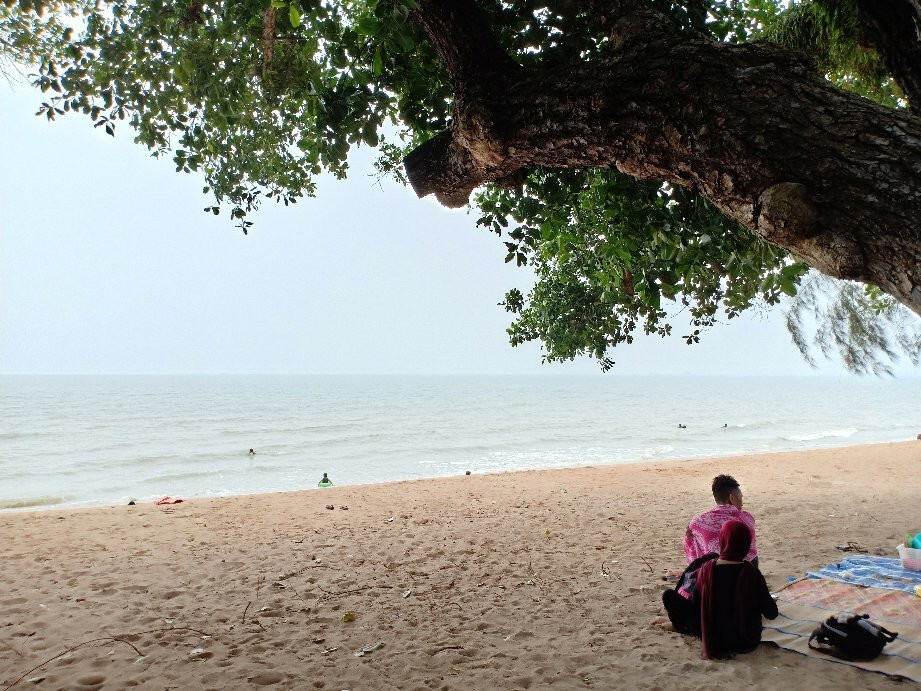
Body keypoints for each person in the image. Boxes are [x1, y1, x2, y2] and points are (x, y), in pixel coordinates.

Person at [696, 520, 777, 658]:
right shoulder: (751, 573)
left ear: (722, 540)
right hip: (745, 641)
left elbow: (697, 603)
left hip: (714, 640)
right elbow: (771, 613)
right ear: (745, 543)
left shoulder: (707, 570)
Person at [684, 474, 757, 567]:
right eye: (741, 497)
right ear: (732, 498)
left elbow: (691, 549)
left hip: (712, 574)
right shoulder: (746, 518)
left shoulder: (697, 522)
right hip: (744, 572)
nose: (742, 502)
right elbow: (751, 551)